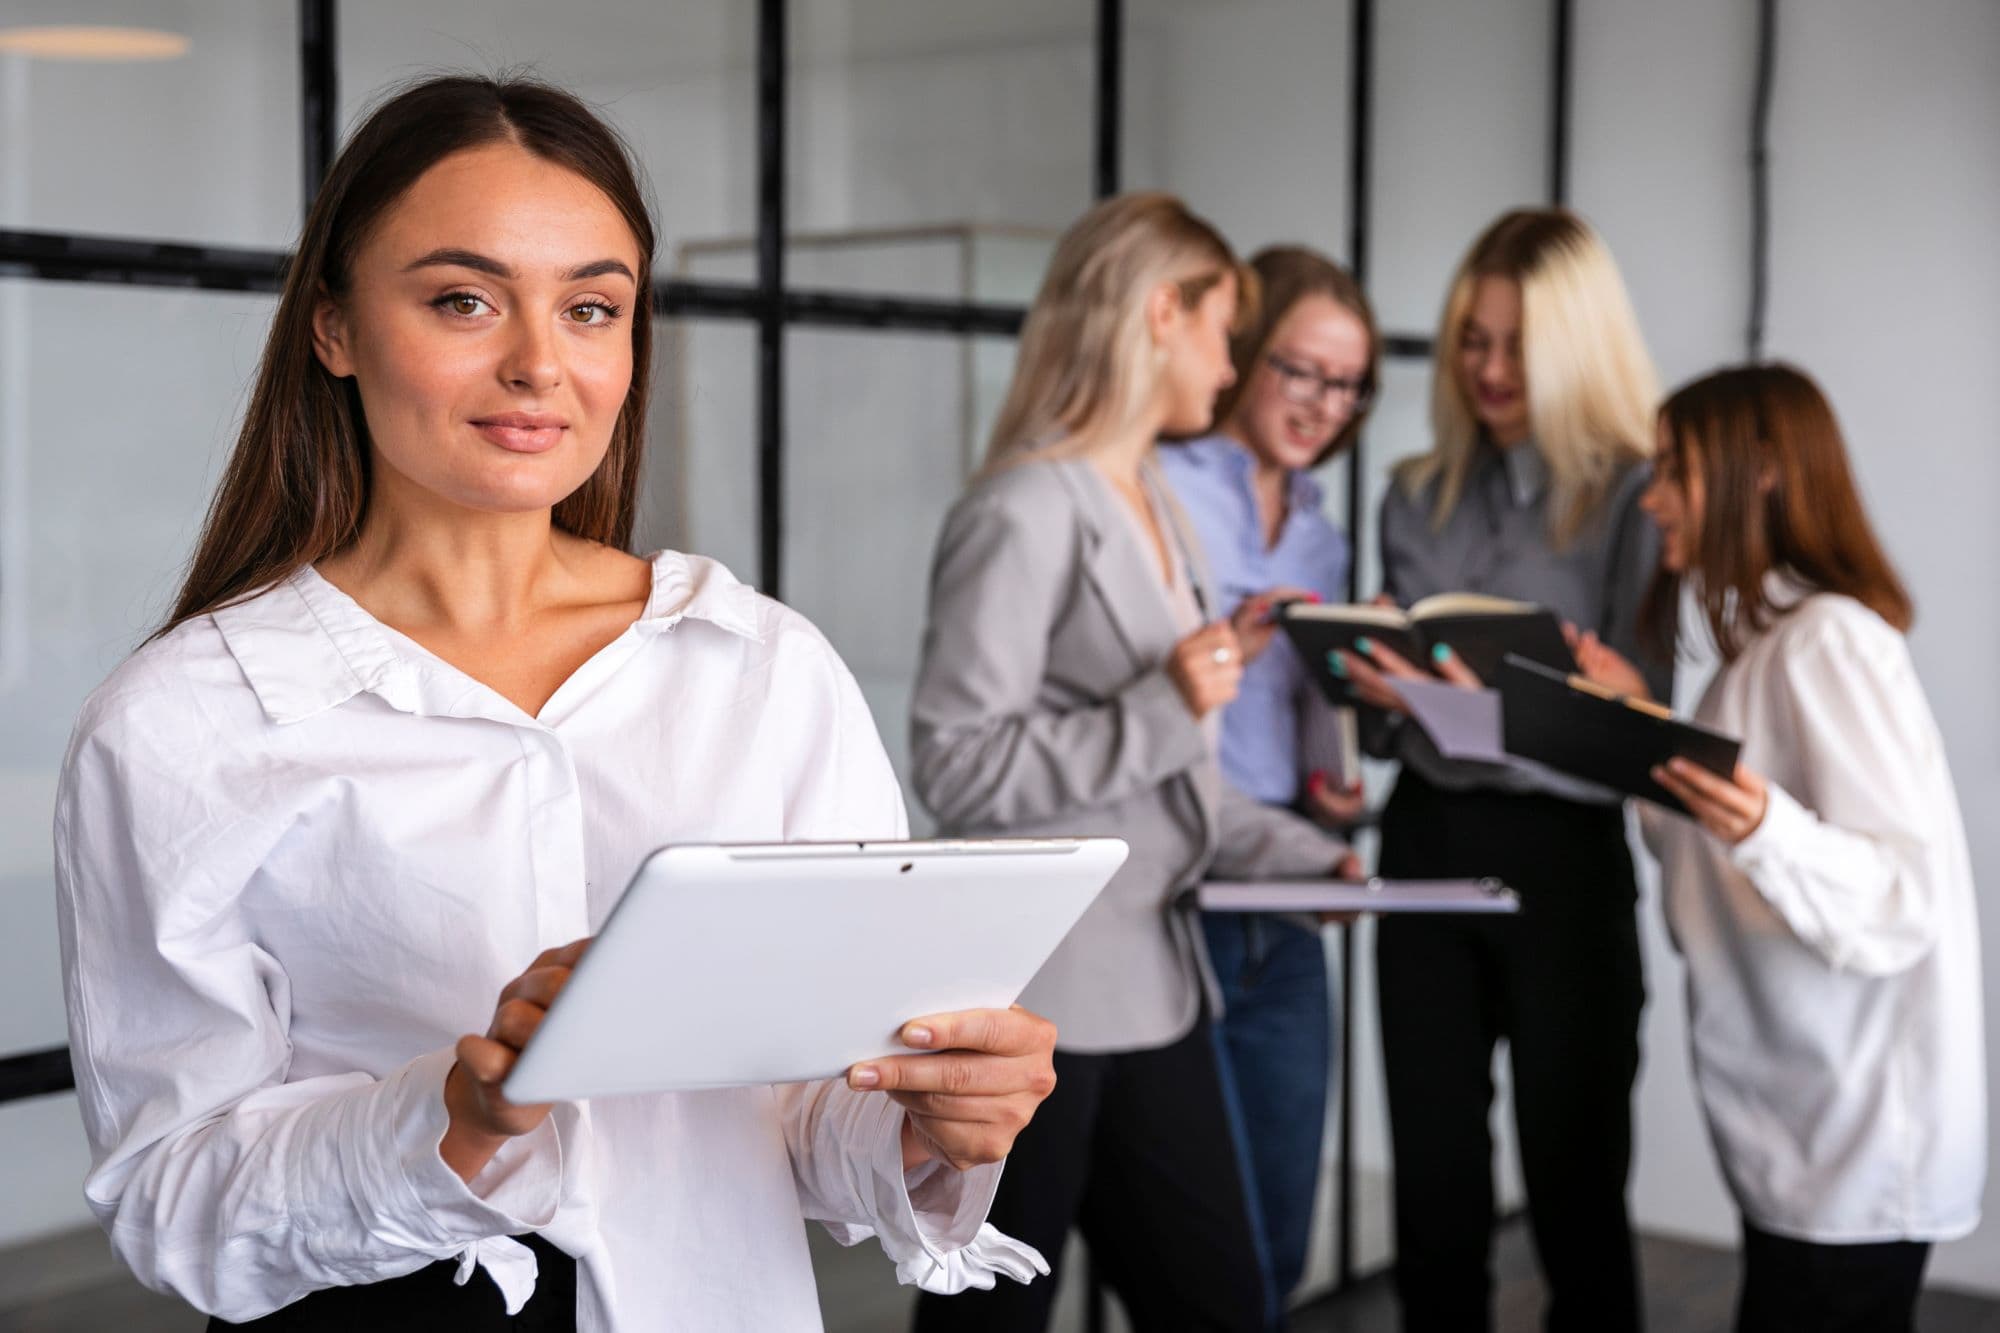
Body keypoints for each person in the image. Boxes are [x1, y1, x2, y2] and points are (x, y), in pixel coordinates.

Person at [52, 75, 1058, 1332]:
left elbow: (806, 1119)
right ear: (334, 327)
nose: (538, 364)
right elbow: (171, 1201)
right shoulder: (183, 721)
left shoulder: (759, 670)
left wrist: (939, 1120)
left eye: (591, 308)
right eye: (462, 300)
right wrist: (457, 1116)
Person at [907, 194, 1359, 1333]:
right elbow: (956, 769)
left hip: (1157, 992)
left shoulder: (1155, 501)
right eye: (1223, 327)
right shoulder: (1021, 508)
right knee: (989, 1318)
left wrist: (1313, 860)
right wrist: (1162, 705)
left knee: (1222, 1302)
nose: (1232, 358)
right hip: (1039, 1007)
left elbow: (1175, 786)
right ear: (1161, 314)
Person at [1571, 363, 1985, 1333]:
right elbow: (1710, 858)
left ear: (1756, 471)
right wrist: (1624, 723)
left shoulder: (1828, 643)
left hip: (1855, 1144)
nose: (1653, 498)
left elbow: (1899, 899)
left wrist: (1765, 828)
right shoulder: (1759, 658)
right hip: (1800, 1140)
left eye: (1673, 469)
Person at [1336, 208, 1665, 1331]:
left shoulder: (1638, 501)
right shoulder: (1411, 493)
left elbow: (1643, 736)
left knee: (1575, 1193)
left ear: (1574, 345)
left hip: (1562, 860)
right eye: (1470, 339)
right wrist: (1370, 695)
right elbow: (1385, 739)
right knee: (1432, 1190)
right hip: (1424, 837)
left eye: (1514, 343)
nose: (1484, 368)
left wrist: (1486, 714)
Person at [1155, 244, 1377, 1317]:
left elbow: (1304, 705)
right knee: (1196, 1240)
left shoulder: (1322, 527)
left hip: (1283, 879)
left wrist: (1335, 788)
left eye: (1345, 384)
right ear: (1243, 353)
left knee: (1280, 1224)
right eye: (1301, 371)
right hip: (1175, 882)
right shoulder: (1160, 488)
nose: (1321, 404)